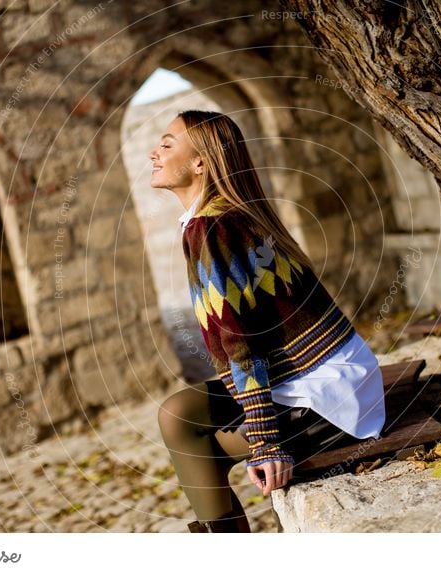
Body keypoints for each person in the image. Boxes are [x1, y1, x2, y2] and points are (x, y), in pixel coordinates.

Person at [151, 109, 386, 533]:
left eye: (167, 145)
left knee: (196, 446)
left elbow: (242, 346)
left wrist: (264, 441)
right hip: (337, 376)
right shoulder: (232, 214)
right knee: (176, 414)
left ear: (201, 162)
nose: (155, 152)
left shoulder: (211, 227)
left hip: (327, 402)